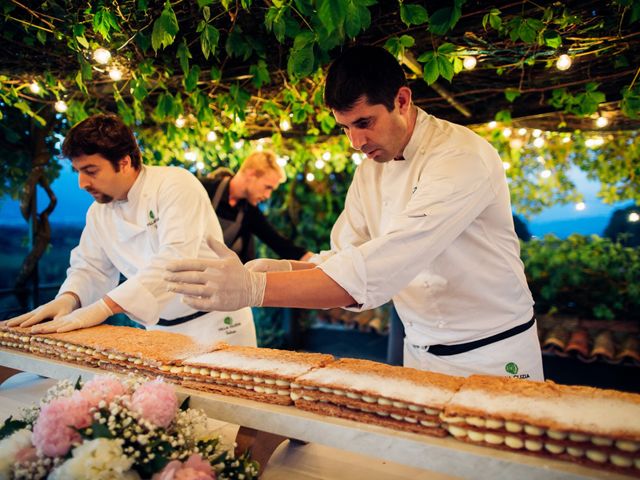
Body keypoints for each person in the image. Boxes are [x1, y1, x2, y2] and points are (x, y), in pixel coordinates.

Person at [165, 45, 544, 380]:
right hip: (421, 349)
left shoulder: (460, 157)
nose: (356, 142)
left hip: (493, 352)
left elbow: (384, 264)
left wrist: (255, 290)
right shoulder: (370, 169)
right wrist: (277, 267)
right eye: (345, 127)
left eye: (365, 123)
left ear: (402, 99)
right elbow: (348, 259)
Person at [4, 113, 256, 346]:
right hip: (160, 329)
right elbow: (91, 267)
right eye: (78, 172)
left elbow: (175, 260)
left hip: (218, 323)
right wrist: (69, 299)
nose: (82, 183)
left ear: (124, 162)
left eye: (90, 171)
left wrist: (102, 308)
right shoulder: (98, 212)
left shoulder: (176, 185)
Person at [201, 150, 311, 264]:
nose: (268, 196)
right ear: (251, 175)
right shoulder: (204, 188)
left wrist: (319, 261)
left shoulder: (249, 212)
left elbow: (279, 244)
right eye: (268, 187)